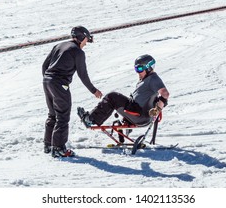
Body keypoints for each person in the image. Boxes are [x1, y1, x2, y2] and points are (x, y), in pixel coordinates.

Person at [42, 26, 102, 158]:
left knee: (53, 114)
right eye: (86, 39)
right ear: (82, 37)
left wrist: (48, 80)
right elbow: (83, 74)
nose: (86, 43)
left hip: (47, 81)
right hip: (59, 84)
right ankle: (58, 148)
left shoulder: (59, 45)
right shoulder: (78, 52)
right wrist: (94, 90)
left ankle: (48, 144)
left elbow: (44, 66)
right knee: (63, 116)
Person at [77, 54, 169, 128]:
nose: (137, 72)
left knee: (112, 97)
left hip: (139, 115)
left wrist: (157, 110)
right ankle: (94, 118)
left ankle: (90, 119)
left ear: (148, 68)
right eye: (136, 68)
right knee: (115, 98)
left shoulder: (153, 79)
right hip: (138, 112)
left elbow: (165, 94)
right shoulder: (148, 79)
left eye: (140, 69)